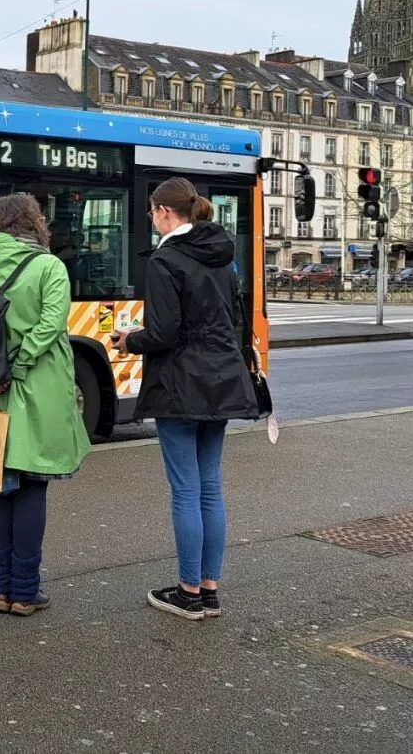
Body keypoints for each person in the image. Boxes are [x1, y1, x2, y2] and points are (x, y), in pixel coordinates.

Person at [115, 177, 258, 621]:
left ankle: (188, 591)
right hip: (222, 380)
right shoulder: (221, 255)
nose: (151, 218)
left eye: (151, 211)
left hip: (180, 384)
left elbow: (164, 332)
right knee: (211, 487)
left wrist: (128, 341)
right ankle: (210, 589)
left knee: (186, 490)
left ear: (162, 211)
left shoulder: (166, 260)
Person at [0, 193, 92, 617]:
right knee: (33, 484)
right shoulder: (49, 267)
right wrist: (17, 366)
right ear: (33, 224)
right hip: (37, 389)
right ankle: (24, 590)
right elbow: (52, 325)